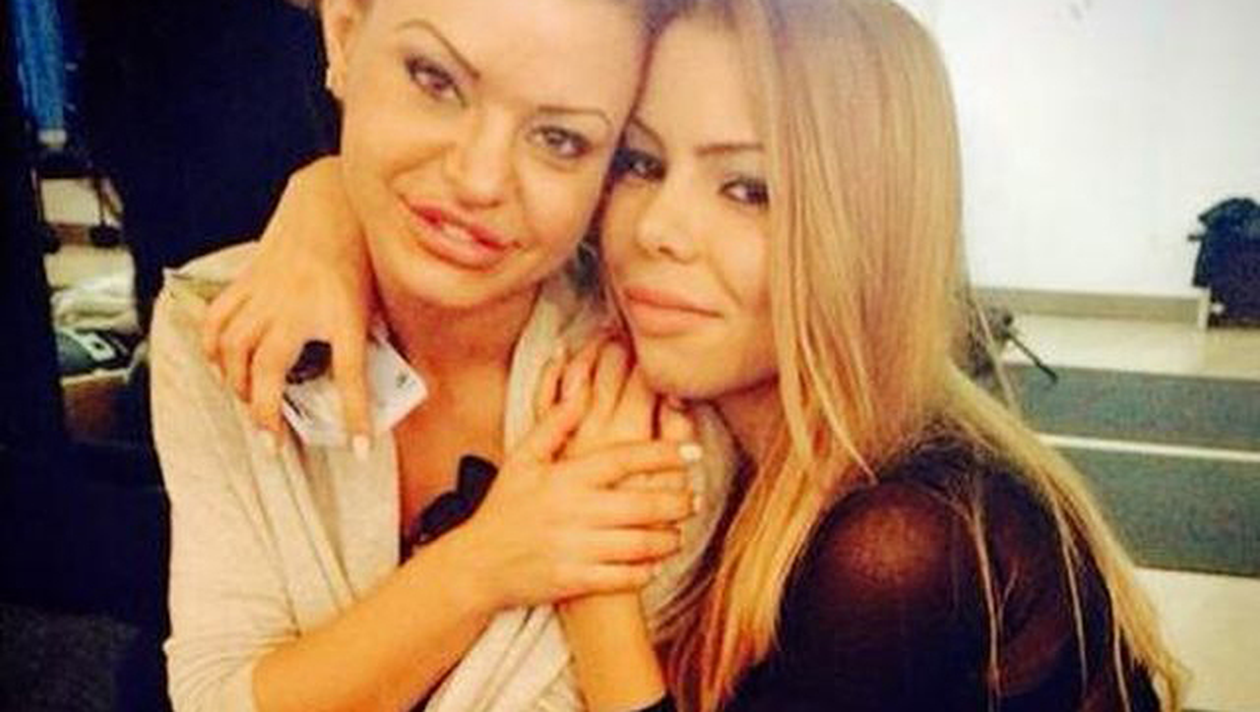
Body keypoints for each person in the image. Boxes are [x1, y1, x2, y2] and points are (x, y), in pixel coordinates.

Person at [203, 0, 1186, 711]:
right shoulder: (749, 425)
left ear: (864, 229)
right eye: (641, 162)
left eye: (749, 190)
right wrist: (326, 207)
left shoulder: (898, 545)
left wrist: (588, 583)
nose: (657, 229)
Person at [148, 1, 727, 711]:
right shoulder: (219, 321)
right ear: (344, 34)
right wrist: (486, 563)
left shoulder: (652, 392)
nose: (479, 179)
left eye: (560, 139)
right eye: (434, 79)